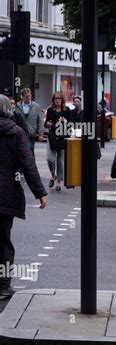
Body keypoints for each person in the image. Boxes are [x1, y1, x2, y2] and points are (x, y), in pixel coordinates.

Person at [0, 94, 47, 298]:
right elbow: (28, 164)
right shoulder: (16, 132)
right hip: (6, 193)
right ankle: (2, 285)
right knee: (4, 241)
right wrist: (40, 193)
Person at [45, 91, 71, 191]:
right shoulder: (50, 110)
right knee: (50, 159)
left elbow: (71, 123)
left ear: (62, 100)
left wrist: (65, 122)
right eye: (55, 98)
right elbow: (46, 122)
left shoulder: (67, 110)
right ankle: (53, 175)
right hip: (52, 136)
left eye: (59, 98)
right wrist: (48, 124)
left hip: (62, 137)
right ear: (53, 100)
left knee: (60, 161)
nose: (57, 100)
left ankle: (59, 181)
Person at [17, 88, 44, 157]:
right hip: (20, 133)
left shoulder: (36, 106)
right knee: (21, 151)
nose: (28, 97)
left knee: (30, 150)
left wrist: (41, 134)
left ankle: (31, 166)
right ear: (22, 97)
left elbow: (40, 120)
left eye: (29, 95)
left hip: (31, 133)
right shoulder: (18, 106)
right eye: (26, 96)